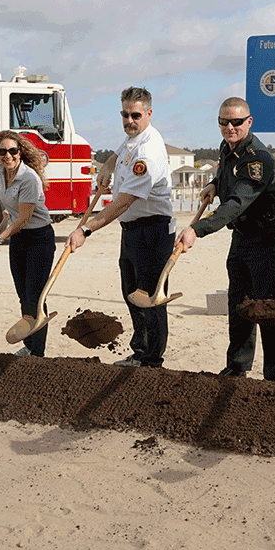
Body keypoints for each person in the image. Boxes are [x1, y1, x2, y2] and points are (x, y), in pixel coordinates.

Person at [177, 97, 275, 380]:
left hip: (267, 238)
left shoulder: (258, 159)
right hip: (241, 235)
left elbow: (236, 203)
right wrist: (214, 184)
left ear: (249, 122)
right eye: (224, 122)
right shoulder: (227, 149)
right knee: (238, 302)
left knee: (269, 308)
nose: (230, 127)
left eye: (237, 122)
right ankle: (237, 366)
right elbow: (225, 175)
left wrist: (196, 229)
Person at [68, 87, 174, 368]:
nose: (129, 120)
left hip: (153, 231)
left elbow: (123, 203)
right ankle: (140, 352)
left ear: (149, 114)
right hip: (132, 231)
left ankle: (152, 361)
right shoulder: (132, 139)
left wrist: (86, 229)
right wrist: (107, 165)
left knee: (149, 298)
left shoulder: (149, 150)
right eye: (125, 114)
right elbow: (119, 153)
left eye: (136, 115)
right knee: (130, 292)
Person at [0, 131, 56, 358]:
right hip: (20, 239)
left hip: (39, 239)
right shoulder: (1, 171)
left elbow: (24, 218)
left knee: (35, 296)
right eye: (2, 151)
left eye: (13, 151)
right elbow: (10, 213)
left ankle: (37, 352)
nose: (8, 156)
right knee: (23, 295)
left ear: (20, 152)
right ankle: (31, 345)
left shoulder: (29, 178)